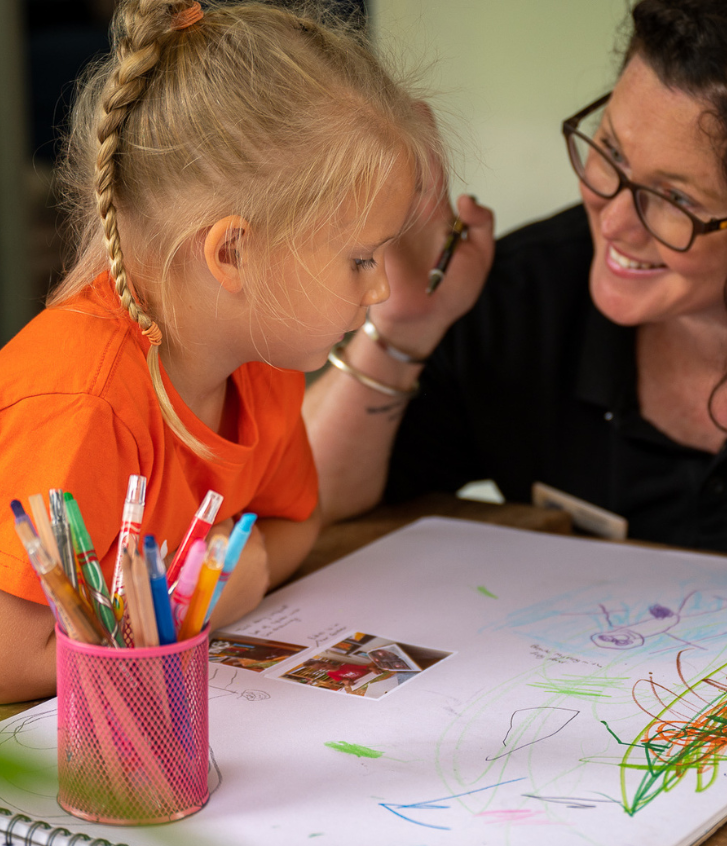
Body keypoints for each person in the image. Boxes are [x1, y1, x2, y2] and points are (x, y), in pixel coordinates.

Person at [305, 0, 727, 585]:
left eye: (672, 197)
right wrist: (402, 326)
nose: (612, 222)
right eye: (610, 153)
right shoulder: (530, 293)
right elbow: (307, 503)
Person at [0, 0, 455, 702]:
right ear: (233, 251)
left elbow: (296, 519)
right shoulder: (84, 404)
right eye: (361, 257)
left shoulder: (260, 363)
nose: (382, 287)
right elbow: (11, 657)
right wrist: (190, 611)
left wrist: (252, 566)